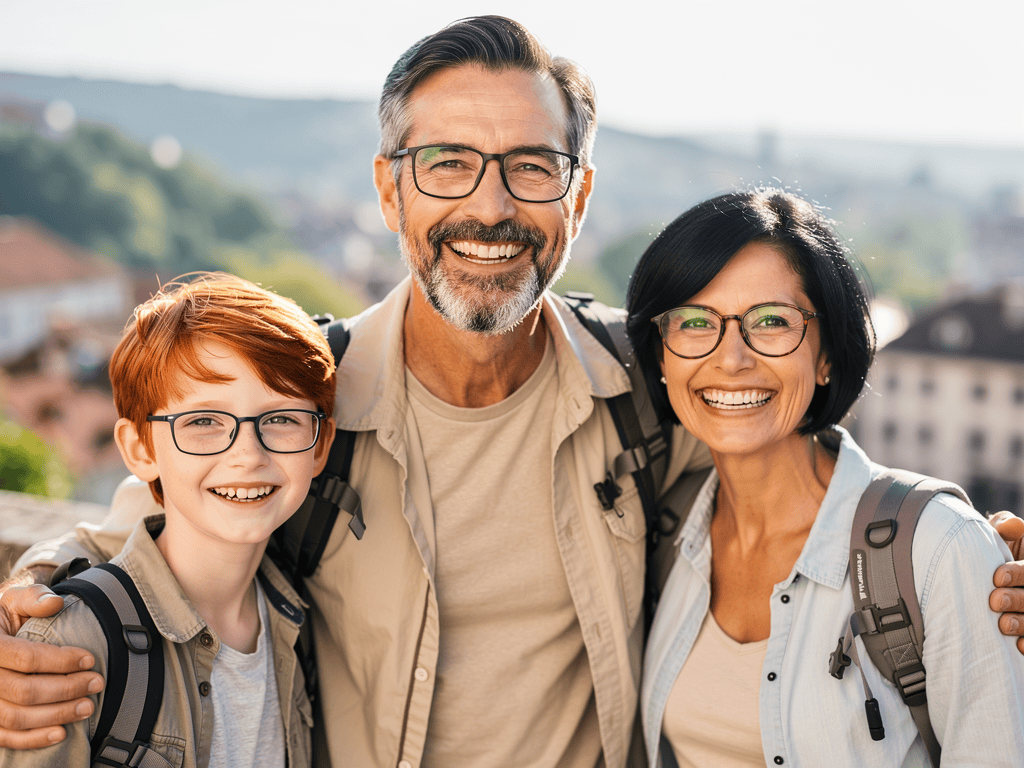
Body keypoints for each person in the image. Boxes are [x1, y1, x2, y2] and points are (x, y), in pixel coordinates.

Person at [1, 17, 1023, 768]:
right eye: (447, 165)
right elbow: (151, 536)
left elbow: (800, 448)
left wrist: (976, 564)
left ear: (577, 196)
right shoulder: (302, 407)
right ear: (388, 186)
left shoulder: (651, 387)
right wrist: (38, 609)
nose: (489, 207)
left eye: (531, 167)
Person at [626, 189, 1024, 767]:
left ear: (827, 356)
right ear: (661, 357)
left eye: (771, 322)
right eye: (693, 321)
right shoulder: (663, 534)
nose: (730, 358)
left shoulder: (940, 552)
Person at [0, 273, 336, 768]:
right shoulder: (75, 645)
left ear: (320, 445)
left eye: (282, 418)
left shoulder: (298, 620)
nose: (248, 455)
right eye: (203, 422)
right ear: (140, 449)